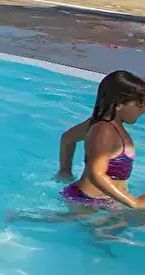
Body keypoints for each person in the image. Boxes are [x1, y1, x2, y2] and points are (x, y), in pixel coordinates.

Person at [55, 70, 144, 209]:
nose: (143, 110)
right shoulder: (104, 130)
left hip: (106, 201)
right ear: (119, 104)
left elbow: (67, 138)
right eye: (140, 104)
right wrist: (133, 202)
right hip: (87, 202)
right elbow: (96, 174)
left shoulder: (100, 124)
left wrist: (65, 171)